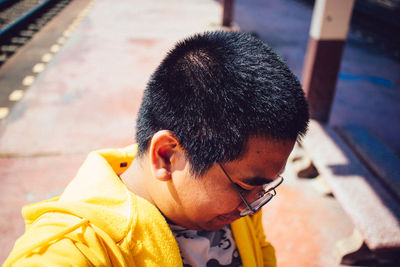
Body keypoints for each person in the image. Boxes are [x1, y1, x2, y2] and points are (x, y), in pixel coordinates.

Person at [4, 31, 309, 267]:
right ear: (166, 155)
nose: (253, 206)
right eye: (246, 187)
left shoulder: (237, 205)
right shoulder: (77, 248)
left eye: (264, 188)